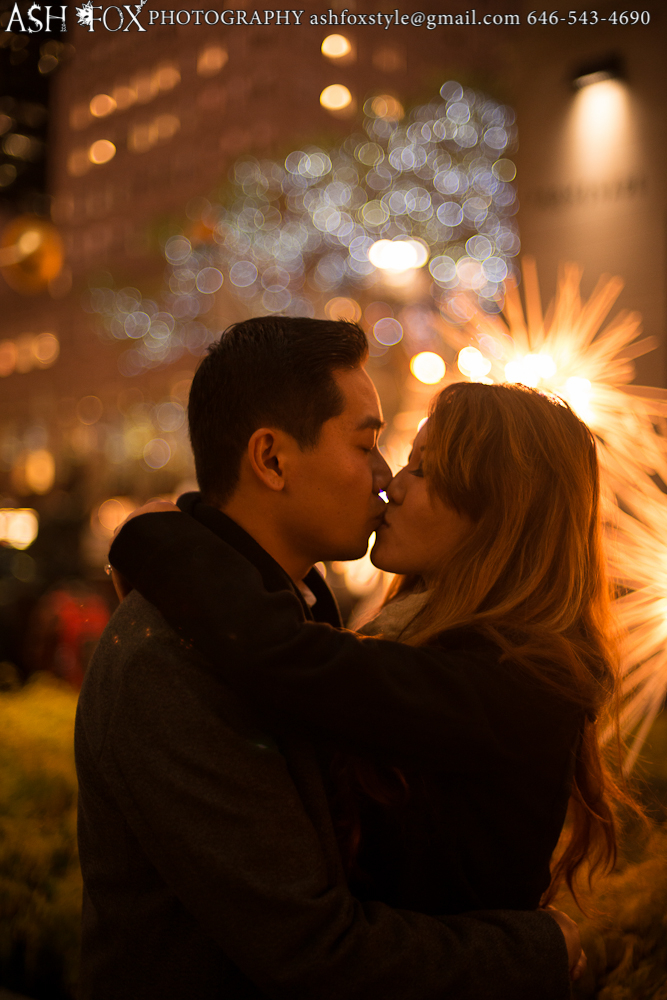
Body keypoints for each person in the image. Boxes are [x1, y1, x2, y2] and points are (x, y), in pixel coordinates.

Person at [78, 317, 581, 1000]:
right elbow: (313, 953)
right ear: (273, 459)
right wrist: (544, 949)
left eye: (415, 467)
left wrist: (154, 536)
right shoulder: (176, 658)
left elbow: (288, 658)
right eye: (369, 445)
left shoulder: (316, 631)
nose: (386, 480)